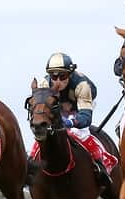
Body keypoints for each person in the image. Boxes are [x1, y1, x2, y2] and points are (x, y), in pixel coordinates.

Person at [38, 52, 115, 185]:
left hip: (78, 108)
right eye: (53, 76)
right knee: (42, 136)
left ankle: (100, 164)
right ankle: (31, 167)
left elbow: (86, 117)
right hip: (57, 110)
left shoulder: (82, 85)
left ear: (70, 73)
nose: (57, 81)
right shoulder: (44, 84)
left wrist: (70, 122)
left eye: (62, 76)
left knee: (81, 134)